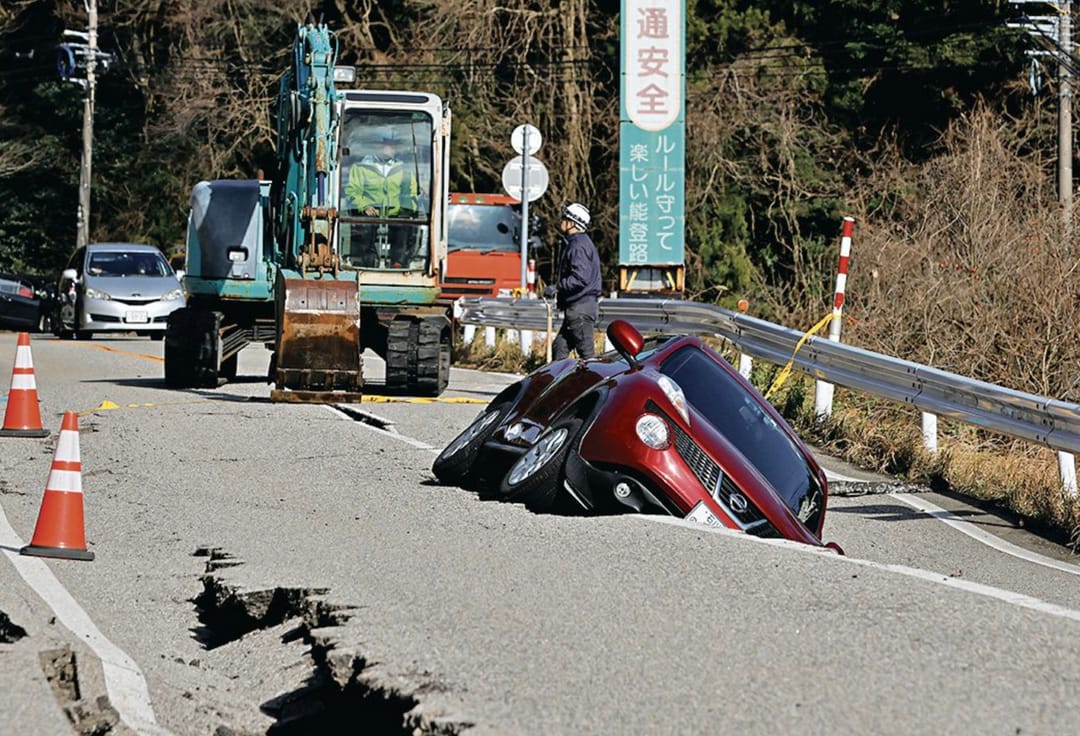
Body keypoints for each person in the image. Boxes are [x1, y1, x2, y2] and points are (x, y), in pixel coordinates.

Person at [344, 130, 419, 267]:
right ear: (377, 146)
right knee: (365, 230)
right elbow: (352, 191)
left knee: (404, 228)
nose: (392, 149)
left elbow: (411, 192)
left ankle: (398, 263)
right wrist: (364, 206)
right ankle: (368, 263)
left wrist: (407, 209)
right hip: (370, 213)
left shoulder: (404, 169)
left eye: (394, 145)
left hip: (394, 214)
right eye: (388, 145)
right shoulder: (361, 167)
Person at [543, 202, 602, 360]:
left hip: (580, 309)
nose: (561, 221)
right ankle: (559, 383)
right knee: (559, 349)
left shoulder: (578, 246)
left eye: (564, 218)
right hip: (577, 308)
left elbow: (580, 278)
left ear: (572, 223)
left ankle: (594, 383)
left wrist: (557, 287)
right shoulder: (578, 243)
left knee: (588, 357)